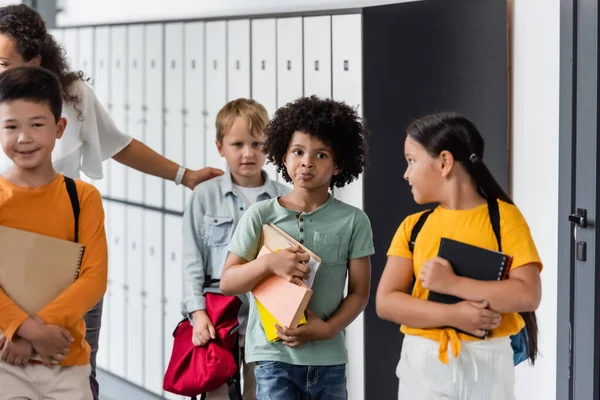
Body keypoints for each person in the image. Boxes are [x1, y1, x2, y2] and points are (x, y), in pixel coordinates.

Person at [0, 5, 223, 399]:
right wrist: (25, 329)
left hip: (66, 258)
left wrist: (184, 176)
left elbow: (118, 145)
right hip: (7, 268)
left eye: (2, 63)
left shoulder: (71, 98)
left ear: (34, 61)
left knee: (79, 373)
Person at [375, 112, 542, 400]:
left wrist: (451, 284)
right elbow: (386, 302)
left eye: (411, 160)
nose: (406, 173)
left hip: (487, 363)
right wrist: (455, 315)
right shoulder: (414, 227)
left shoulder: (504, 219)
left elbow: (528, 294)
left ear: (444, 162)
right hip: (422, 362)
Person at [219, 96, 374, 400]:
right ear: (283, 155)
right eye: (298, 152)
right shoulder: (260, 215)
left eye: (321, 155)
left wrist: (327, 330)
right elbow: (228, 282)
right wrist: (268, 264)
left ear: (339, 163)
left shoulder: (354, 221)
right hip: (273, 358)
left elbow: (359, 293)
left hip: (329, 360)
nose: (307, 162)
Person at [0, 66, 107, 400]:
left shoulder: (82, 198)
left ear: (59, 128)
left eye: (36, 124)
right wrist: (27, 329)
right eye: (11, 126)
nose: (24, 138)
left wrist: (39, 331)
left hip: (65, 358)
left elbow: (94, 278)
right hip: (5, 358)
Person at [181, 98, 289, 399]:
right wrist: (197, 313)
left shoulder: (284, 199)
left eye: (257, 144)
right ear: (220, 147)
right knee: (217, 394)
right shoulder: (205, 196)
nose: (248, 153)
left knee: (262, 391)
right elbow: (191, 260)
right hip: (217, 319)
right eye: (237, 144)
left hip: (267, 319)